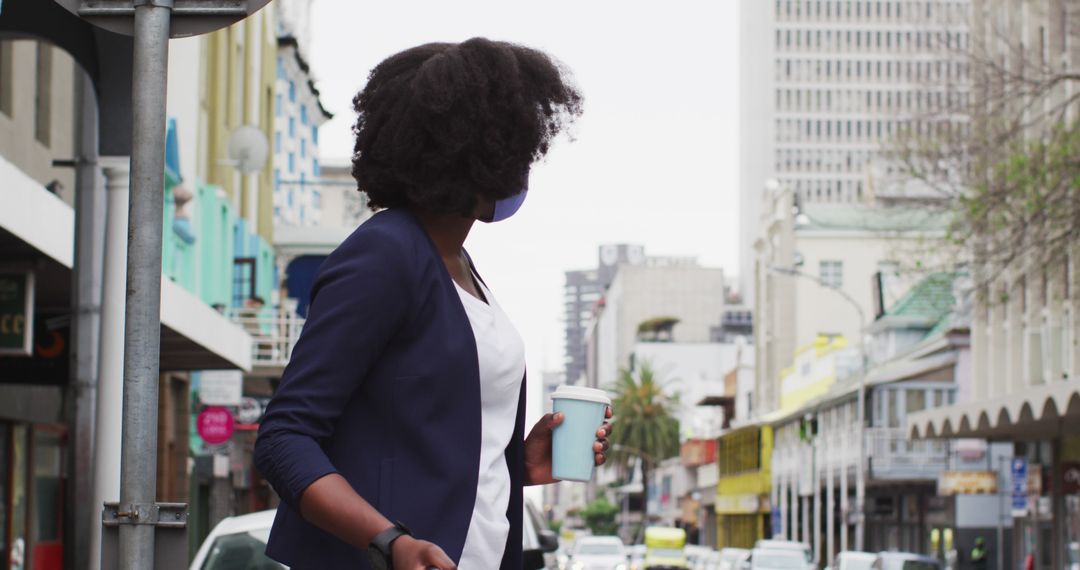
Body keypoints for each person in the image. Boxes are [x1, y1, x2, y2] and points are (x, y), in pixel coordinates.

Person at [253, 38, 605, 570]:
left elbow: (426, 436)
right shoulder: (386, 254)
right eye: (516, 143)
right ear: (484, 151)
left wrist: (519, 465)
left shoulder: (460, 265)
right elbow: (284, 438)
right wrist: (389, 541)